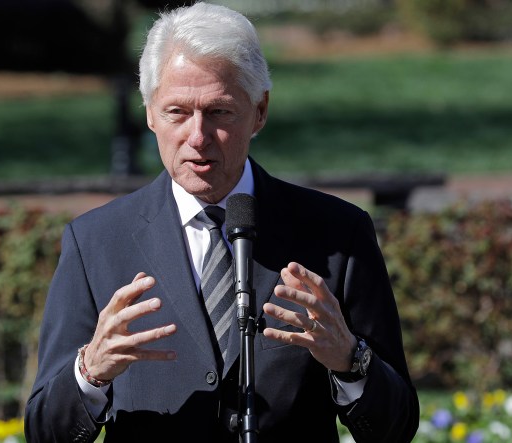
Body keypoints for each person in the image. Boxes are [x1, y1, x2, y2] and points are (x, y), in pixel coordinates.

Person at [24, 3, 419, 442]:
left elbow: (395, 428)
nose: (197, 137)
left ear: (260, 111)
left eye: (219, 112)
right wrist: (89, 372)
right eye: (177, 112)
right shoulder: (95, 242)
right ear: (149, 113)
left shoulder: (337, 235)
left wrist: (350, 359)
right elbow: (45, 431)